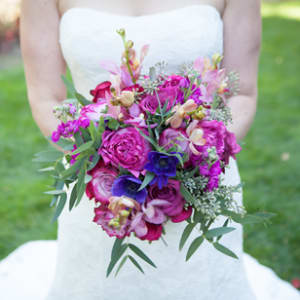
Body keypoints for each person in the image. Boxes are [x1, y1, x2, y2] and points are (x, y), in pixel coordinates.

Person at [8, 0, 298, 299]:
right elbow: (46, 98)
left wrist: (191, 163)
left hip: (198, 181)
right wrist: (105, 162)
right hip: (101, 187)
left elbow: (243, 94)